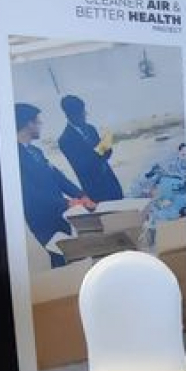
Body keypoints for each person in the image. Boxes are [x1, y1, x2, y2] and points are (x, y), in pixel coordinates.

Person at [16, 103, 95, 267]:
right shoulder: (14, 157)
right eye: (37, 121)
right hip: (42, 220)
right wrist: (68, 203)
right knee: (60, 257)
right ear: (28, 124)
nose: (41, 124)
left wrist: (81, 195)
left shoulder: (36, 152)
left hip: (60, 214)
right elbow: (30, 194)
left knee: (74, 256)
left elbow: (58, 178)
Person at [57, 94, 123, 202]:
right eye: (82, 112)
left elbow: (105, 155)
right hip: (96, 189)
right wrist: (102, 148)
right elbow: (84, 166)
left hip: (111, 182)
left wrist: (107, 145)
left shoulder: (91, 129)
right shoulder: (65, 140)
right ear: (71, 115)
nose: (85, 114)